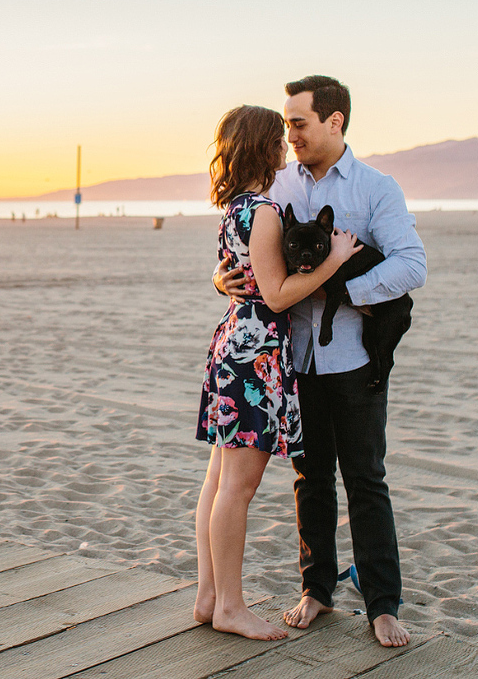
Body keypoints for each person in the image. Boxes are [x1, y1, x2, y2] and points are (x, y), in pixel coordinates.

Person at [214, 76, 427, 647]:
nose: (290, 134)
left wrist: (339, 291)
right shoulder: (275, 183)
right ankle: (318, 591)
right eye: (285, 124)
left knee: (366, 479)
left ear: (335, 121)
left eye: (299, 122)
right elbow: (246, 253)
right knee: (309, 480)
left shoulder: (377, 188)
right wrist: (220, 280)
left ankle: (383, 604)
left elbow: (411, 266)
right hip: (293, 362)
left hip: (356, 361)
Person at [195, 104, 361, 641]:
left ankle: (208, 596)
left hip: (232, 345)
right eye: (280, 142)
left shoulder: (234, 209)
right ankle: (231, 608)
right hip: (255, 356)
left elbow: (240, 277)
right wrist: (334, 261)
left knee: (219, 480)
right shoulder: (264, 211)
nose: (287, 148)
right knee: (236, 489)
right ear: (266, 148)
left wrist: (221, 282)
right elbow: (276, 293)